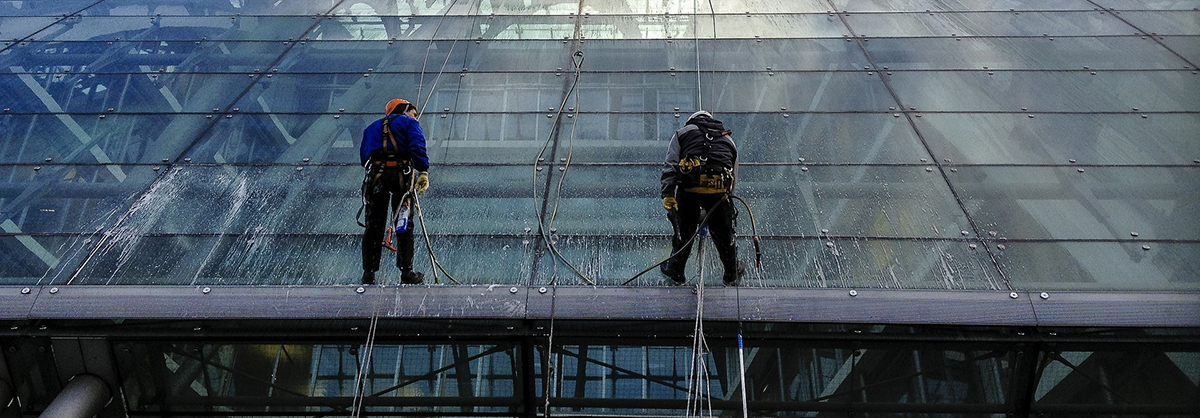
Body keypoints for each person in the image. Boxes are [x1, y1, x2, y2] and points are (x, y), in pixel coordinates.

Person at [659, 110, 744, 286]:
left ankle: (676, 271)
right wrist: (725, 200)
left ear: (691, 121)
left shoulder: (682, 134)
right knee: (724, 234)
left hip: (690, 189)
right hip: (719, 191)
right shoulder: (728, 139)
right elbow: (733, 175)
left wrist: (667, 194)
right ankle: (731, 272)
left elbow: (671, 165)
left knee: (684, 231)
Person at [360, 98, 430, 285]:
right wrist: (423, 170)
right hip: (401, 176)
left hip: (376, 177)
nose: (416, 118)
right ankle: (406, 272)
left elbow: (364, 155)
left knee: (373, 225)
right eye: (414, 113)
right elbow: (417, 145)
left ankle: (368, 273)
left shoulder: (371, 127)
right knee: (404, 223)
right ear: (405, 110)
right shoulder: (409, 123)